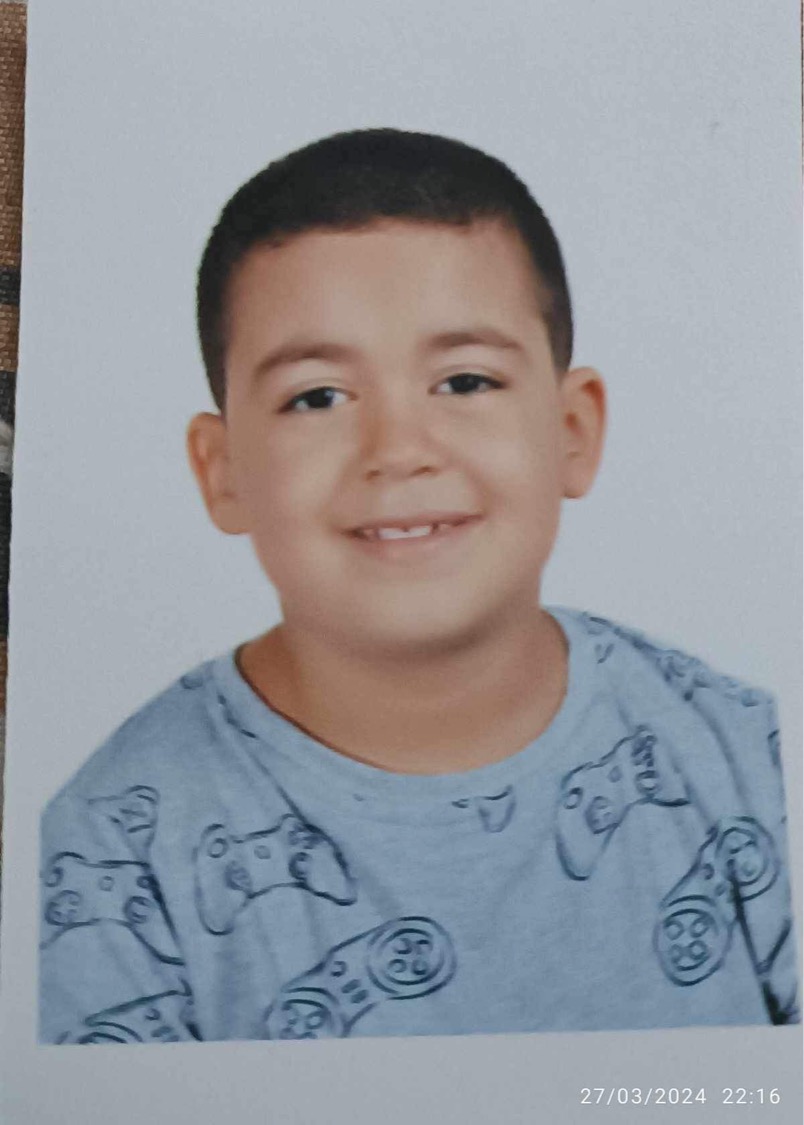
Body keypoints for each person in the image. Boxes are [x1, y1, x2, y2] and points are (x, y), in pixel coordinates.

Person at [39, 129, 798, 1044]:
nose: (399, 450)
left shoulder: (751, 761)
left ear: (572, 430)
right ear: (222, 469)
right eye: (317, 397)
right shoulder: (108, 860)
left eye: (465, 381)